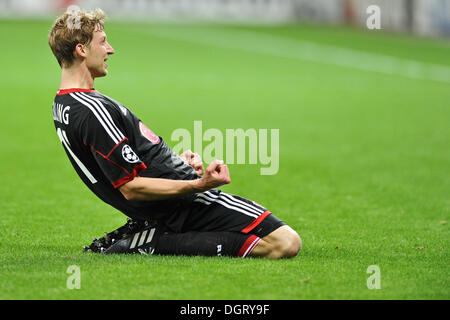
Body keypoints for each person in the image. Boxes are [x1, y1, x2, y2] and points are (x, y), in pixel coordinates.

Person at [48, 8, 301, 259]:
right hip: (184, 204)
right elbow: (130, 187)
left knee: (269, 237)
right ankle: (153, 241)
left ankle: (152, 233)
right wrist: (198, 184)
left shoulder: (65, 105)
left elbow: (124, 164)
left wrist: (175, 164)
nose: (110, 49)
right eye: (103, 42)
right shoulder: (92, 110)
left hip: (168, 201)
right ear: (81, 50)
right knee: (285, 242)